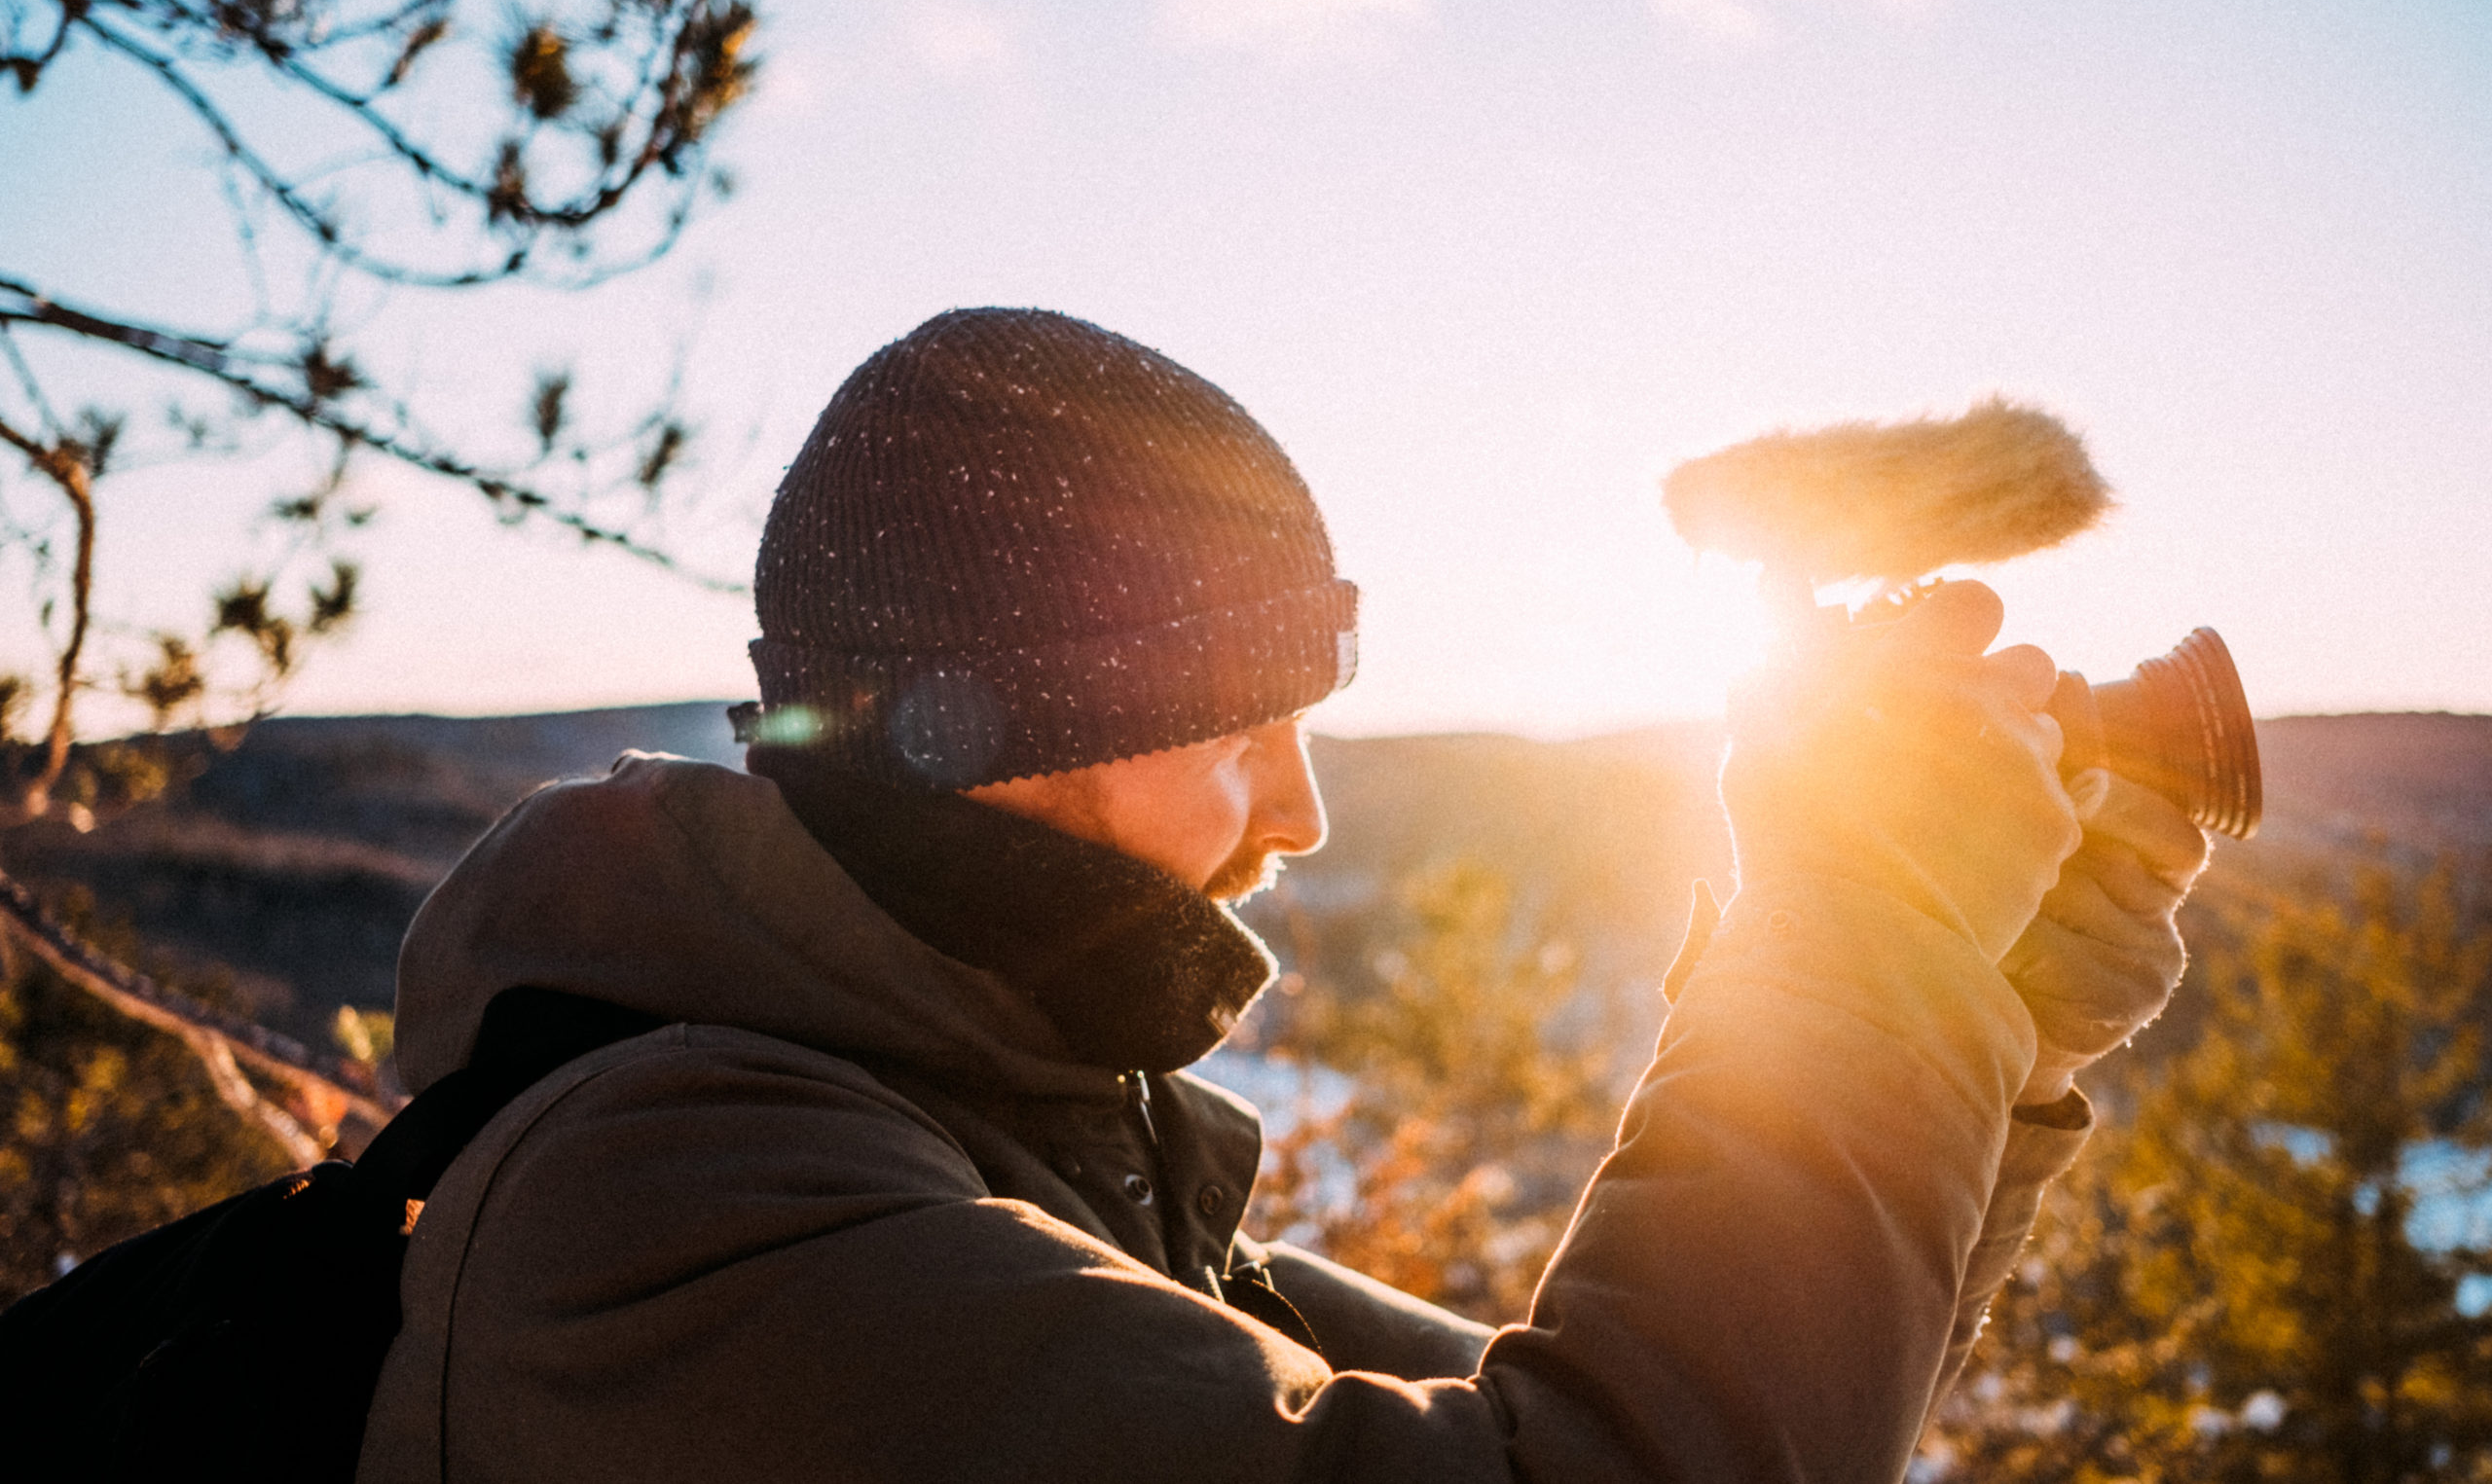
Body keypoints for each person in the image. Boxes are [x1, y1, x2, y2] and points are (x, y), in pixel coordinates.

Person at [357, 308, 2208, 1484]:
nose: (1303, 815)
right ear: (972, 733)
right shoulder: (679, 1221)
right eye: (1241, 735)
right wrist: (1871, 921)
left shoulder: (1038, 1155)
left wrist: (1992, 1005)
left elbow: (1720, 1410)